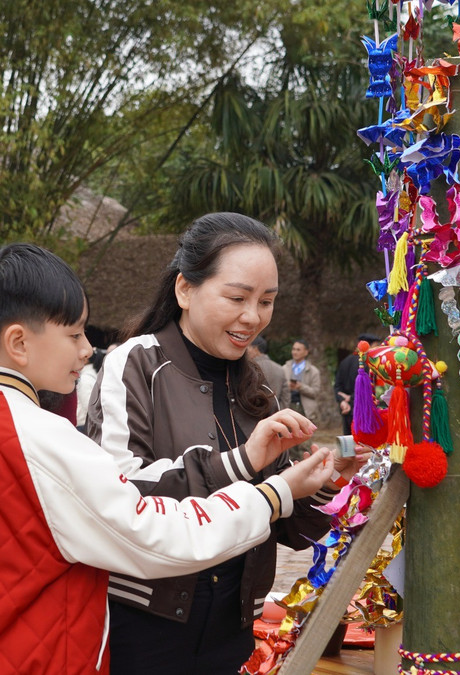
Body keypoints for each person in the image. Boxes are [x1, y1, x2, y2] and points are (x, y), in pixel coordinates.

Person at [0, 243, 338, 674]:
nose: (86, 349)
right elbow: (154, 534)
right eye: (74, 333)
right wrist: (273, 494)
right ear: (19, 343)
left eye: (266, 300)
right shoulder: (43, 437)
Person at [85, 213, 365, 674]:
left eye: (266, 301)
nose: (253, 317)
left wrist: (327, 484)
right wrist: (242, 461)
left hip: (234, 628)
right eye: (237, 297)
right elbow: (122, 495)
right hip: (144, 623)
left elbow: (288, 529)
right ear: (185, 290)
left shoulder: (260, 390)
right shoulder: (134, 364)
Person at [335, 333, 381, 435]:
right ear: (368, 346)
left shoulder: (344, 361)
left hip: (345, 408)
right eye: (376, 346)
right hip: (362, 409)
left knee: (348, 439)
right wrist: (350, 398)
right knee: (362, 439)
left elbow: (337, 385)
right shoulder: (369, 364)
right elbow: (366, 388)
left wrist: (342, 401)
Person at [283, 338, 323, 424]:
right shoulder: (284, 368)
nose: (295, 352)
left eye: (298, 350)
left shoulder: (313, 371)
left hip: (305, 411)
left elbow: (316, 392)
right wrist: (287, 386)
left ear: (306, 352)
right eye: (293, 349)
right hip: (287, 408)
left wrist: (301, 387)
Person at [248, 336, 290, 410]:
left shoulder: (249, 368)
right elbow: (286, 397)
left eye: (248, 348)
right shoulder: (279, 368)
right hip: (275, 413)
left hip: (253, 413)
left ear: (255, 349)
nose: (245, 351)